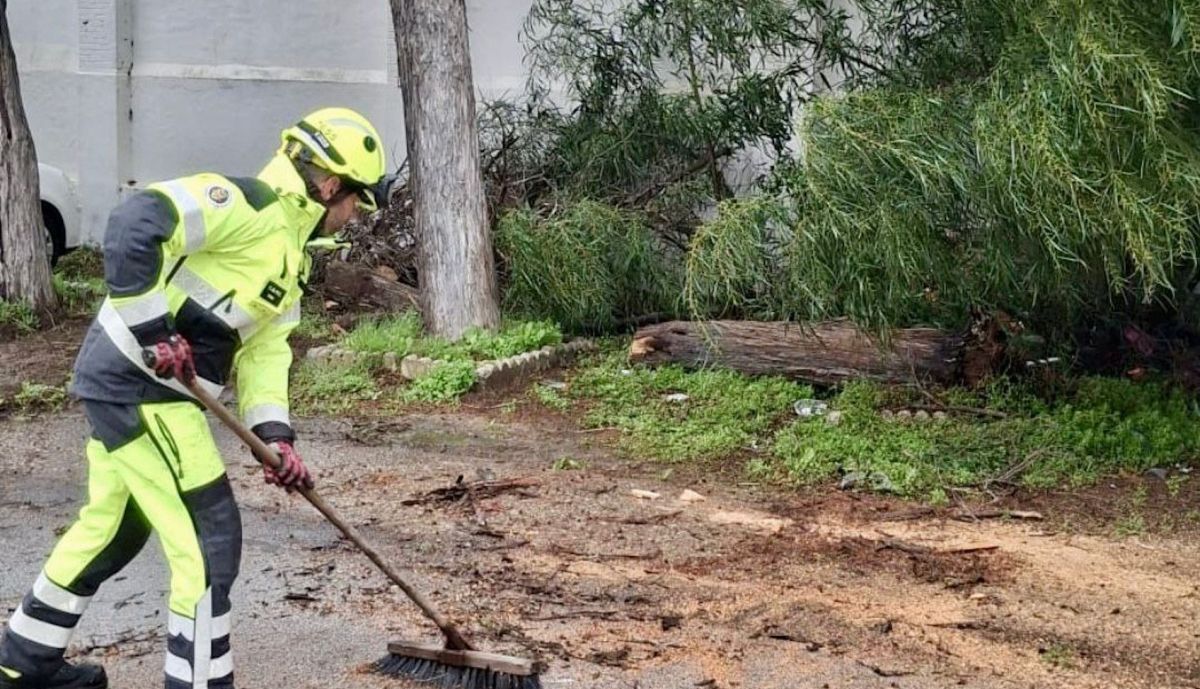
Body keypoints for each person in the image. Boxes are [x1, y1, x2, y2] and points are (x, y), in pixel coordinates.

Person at [0, 107, 390, 689]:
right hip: (141, 388)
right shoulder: (247, 205)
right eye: (357, 200)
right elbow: (136, 223)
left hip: (149, 392)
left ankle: (24, 662)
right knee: (210, 545)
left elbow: (266, 354)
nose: (355, 214)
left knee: (114, 526)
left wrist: (275, 440)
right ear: (330, 184)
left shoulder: (290, 251)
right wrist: (155, 332)